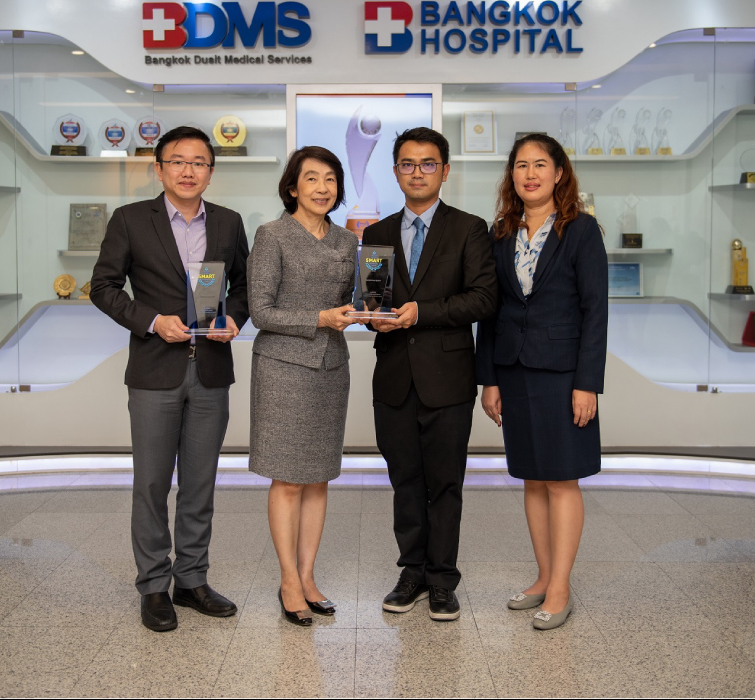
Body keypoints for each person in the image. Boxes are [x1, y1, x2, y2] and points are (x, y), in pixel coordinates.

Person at [90, 125, 250, 632]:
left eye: (199, 162)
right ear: (159, 169)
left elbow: (244, 286)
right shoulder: (131, 219)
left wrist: (233, 318)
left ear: (210, 172)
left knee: (200, 484)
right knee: (153, 484)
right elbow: (103, 286)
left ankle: (192, 580)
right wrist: (152, 321)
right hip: (155, 369)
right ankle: (154, 586)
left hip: (211, 370)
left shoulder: (228, 222)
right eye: (178, 161)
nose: (188, 170)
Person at [362, 127, 497, 621]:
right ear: (395, 171)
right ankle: (412, 572)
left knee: (444, 483)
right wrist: (372, 316)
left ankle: (442, 580)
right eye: (407, 164)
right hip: (394, 379)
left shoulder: (469, 228)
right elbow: (372, 299)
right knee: (404, 481)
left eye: (427, 164)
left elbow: (483, 299)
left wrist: (422, 312)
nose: (417, 172)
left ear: (445, 171)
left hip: (447, 378)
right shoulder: (376, 234)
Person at [476, 133, 608, 631]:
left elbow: (595, 312)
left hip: (563, 374)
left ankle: (561, 586)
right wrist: (489, 379)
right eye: (521, 165)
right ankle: (543, 575)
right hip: (513, 370)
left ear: (558, 173)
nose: (529, 174)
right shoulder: (501, 233)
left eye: (539, 165)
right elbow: (491, 313)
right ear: (511, 175)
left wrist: (587, 383)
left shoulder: (581, 230)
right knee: (531, 477)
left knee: (561, 478)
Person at [247, 146, 359, 627]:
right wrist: (320, 318)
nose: (322, 187)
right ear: (292, 187)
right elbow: (261, 312)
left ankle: (309, 576)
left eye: (330, 179)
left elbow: (355, 298)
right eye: (311, 178)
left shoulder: (348, 240)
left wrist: (370, 310)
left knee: (318, 477)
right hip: (283, 368)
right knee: (288, 478)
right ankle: (288, 579)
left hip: (332, 367)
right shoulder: (271, 235)